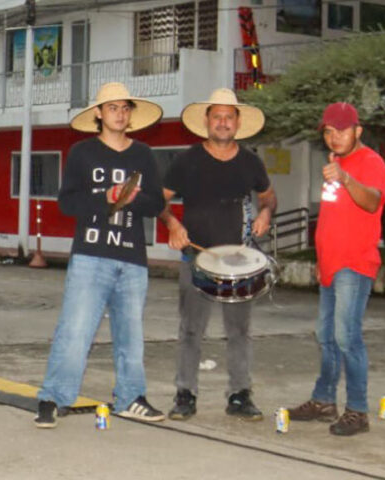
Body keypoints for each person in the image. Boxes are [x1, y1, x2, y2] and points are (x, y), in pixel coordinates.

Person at [34, 83, 166, 428]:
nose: (120, 114)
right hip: (91, 254)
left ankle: (130, 397)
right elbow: (66, 202)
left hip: (133, 258)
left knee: (131, 335)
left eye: (125, 108)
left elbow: (157, 204)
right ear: (98, 113)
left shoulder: (143, 155)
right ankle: (52, 397)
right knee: (75, 331)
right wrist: (106, 198)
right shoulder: (82, 153)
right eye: (112, 108)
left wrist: (132, 198)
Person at [160, 88, 276, 421]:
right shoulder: (188, 160)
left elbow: (269, 197)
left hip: (239, 262)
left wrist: (266, 214)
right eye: (217, 117)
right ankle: (185, 394)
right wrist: (171, 223)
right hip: (195, 259)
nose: (223, 123)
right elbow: (160, 200)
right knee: (191, 330)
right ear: (207, 122)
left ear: (237, 122)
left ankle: (239, 395)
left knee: (239, 331)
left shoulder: (250, 161)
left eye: (229, 117)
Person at [284, 102, 385, 436]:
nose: (333, 137)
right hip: (330, 264)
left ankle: (358, 409)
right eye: (328, 131)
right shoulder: (335, 163)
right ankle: (324, 399)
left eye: (341, 130)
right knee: (326, 336)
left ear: (358, 130)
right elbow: (331, 217)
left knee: (347, 336)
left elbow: (372, 201)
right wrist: (320, 260)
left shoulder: (370, 162)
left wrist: (345, 177)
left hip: (354, 264)